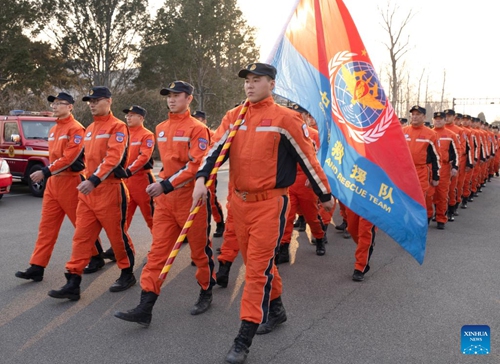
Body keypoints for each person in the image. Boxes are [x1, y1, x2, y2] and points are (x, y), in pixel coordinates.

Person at [191, 63, 334, 364]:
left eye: (257, 80)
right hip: (240, 205)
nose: (250, 85)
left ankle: (244, 337)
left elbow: (308, 159)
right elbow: (214, 149)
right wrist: (201, 179)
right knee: (264, 263)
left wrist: (324, 194)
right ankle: (277, 309)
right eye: (247, 81)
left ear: (272, 83)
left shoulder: (286, 118)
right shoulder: (235, 115)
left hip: (270, 204)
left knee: (255, 271)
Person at [114, 81, 216, 326]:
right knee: (157, 253)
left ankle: (206, 289)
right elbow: (166, 163)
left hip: (191, 199)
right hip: (165, 201)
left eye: (177, 96)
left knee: (199, 252)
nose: (171, 100)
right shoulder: (161, 127)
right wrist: (163, 186)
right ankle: (145, 306)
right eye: (169, 96)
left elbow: (196, 165)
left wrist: (166, 184)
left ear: (189, 99)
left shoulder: (198, 129)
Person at [48, 86, 135, 301]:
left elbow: (113, 157)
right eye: (90, 101)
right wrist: (88, 180)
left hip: (110, 190)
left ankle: (127, 273)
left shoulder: (118, 127)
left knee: (117, 237)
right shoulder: (89, 129)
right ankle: (73, 281)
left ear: (109, 101)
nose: (93, 104)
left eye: (97, 100)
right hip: (89, 192)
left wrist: (95, 179)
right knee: (81, 238)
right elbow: (87, 160)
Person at [15, 92, 103, 281]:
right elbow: (55, 157)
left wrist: (45, 172)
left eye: (59, 103)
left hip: (71, 182)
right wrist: (50, 174)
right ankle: (37, 266)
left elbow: (69, 158)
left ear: (70, 106)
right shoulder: (54, 129)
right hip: (54, 183)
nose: (54, 107)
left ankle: (96, 256)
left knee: (82, 225)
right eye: (53, 104)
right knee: (46, 227)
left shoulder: (77, 129)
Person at [101, 105, 156, 262]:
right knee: (123, 217)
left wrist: (129, 171)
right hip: (126, 181)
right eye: (127, 115)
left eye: (133, 115)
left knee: (151, 217)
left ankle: (160, 247)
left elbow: (144, 156)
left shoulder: (147, 135)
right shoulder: (123, 133)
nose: (128, 117)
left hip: (142, 181)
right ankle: (119, 247)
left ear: (141, 118)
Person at [276, 103, 329, 264]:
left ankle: (319, 238)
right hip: (290, 182)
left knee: (312, 216)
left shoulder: (313, 135)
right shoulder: (285, 133)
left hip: (307, 182)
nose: (298, 117)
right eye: (295, 113)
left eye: (301, 114)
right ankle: (284, 248)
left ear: (307, 116)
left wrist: (314, 179)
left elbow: (321, 158)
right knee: (286, 216)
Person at [402, 106, 440, 220]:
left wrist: (436, 176)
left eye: (418, 115)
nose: (414, 117)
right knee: (405, 197)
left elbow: (436, 157)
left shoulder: (431, 134)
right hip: (405, 171)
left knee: (420, 198)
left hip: (421, 171)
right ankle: (407, 222)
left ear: (424, 117)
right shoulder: (403, 131)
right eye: (413, 114)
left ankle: (421, 220)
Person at [192, 110, 226, 238]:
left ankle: (219, 223)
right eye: (194, 118)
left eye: (199, 119)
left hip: (208, 172)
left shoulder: (212, 135)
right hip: (191, 172)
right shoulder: (191, 133)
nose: (197, 121)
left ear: (205, 121)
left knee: (211, 200)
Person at [429, 112, 458, 230]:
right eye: (436, 119)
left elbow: (456, 152)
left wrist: (455, 167)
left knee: (442, 193)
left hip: (445, 168)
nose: (438, 121)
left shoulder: (451, 135)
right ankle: (430, 214)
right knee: (430, 193)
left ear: (444, 120)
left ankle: (441, 218)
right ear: (433, 120)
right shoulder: (429, 133)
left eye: (440, 119)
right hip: (430, 167)